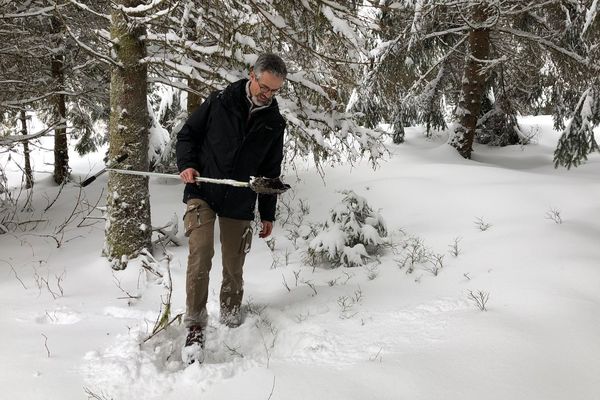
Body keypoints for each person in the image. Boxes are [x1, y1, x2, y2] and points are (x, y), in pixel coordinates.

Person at [176, 53, 287, 363]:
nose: (268, 95)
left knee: (233, 263)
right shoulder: (220, 101)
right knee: (201, 254)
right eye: (265, 87)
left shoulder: (274, 123)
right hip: (203, 190)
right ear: (252, 75)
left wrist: (267, 212)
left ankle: (230, 311)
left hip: (239, 200)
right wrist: (187, 165)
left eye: (275, 91)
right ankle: (195, 323)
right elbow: (188, 135)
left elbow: (270, 171)